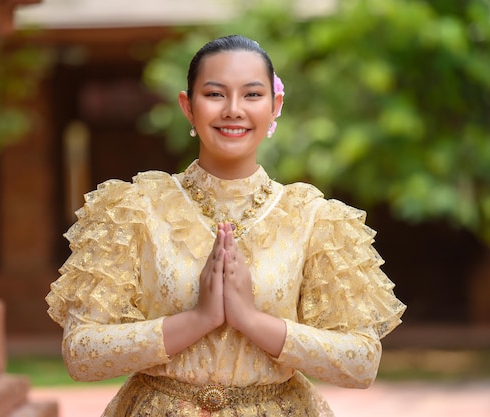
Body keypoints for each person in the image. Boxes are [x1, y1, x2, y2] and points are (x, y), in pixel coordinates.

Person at [46, 34, 406, 416]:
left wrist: (251, 320)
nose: (233, 110)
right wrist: (197, 320)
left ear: (275, 105)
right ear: (188, 106)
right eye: (215, 94)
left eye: (252, 95)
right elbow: (81, 353)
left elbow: (362, 362)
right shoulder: (135, 209)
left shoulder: (312, 218)